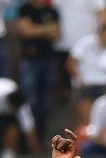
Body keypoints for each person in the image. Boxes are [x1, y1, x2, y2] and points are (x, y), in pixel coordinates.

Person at [17, 0, 62, 139]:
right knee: (29, 100)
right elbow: (26, 31)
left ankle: (41, 134)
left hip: (48, 61)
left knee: (46, 102)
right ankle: (26, 137)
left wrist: (35, 28)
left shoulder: (52, 10)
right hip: (30, 61)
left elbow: (57, 34)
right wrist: (47, 28)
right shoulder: (25, 9)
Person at [67, 21, 106, 125]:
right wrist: (80, 81)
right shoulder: (85, 43)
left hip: (105, 87)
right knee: (88, 122)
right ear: (100, 33)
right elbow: (71, 63)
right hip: (86, 86)